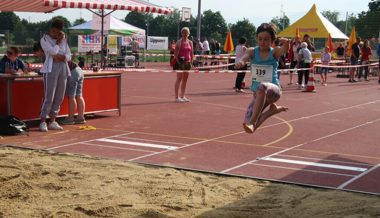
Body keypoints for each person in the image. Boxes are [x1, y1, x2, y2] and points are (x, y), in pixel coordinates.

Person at [235, 23, 289, 133]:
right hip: (258, 93)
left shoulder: (274, 52)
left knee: (262, 86)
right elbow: (245, 57)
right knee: (247, 124)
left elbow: (285, 48)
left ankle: (252, 121)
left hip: (274, 90)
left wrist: (285, 41)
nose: (262, 42)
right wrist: (241, 62)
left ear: (272, 40)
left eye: (266, 39)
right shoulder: (252, 51)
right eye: (260, 39)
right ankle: (270, 112)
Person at [39, 18, 71, 132]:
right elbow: (52, 53)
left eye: (57, 32)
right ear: (50, 29)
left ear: (59, 31)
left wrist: (61, 57)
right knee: (49, 96)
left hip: (63, 68)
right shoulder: (44, 39)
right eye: (53, 31)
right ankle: (43, 121)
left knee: (60, 96)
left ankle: (52, 120)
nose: (54, 33)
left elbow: (68, 56)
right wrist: (57, 43)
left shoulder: (64, 39)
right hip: (50, 69)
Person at [173, 27, 194, 103]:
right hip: (180, 63)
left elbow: (192, 53)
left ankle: (182, 96)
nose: (184, 34)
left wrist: (191, 62)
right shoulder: (179, 42)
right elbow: (175, 53)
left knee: (185, 80)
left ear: (188, 33)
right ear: (181, 33)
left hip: (188, 63)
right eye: (183, 32)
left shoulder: (190, 42)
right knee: (179, 79)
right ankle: (176, 97)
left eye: (186, 32)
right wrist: (178, 61)